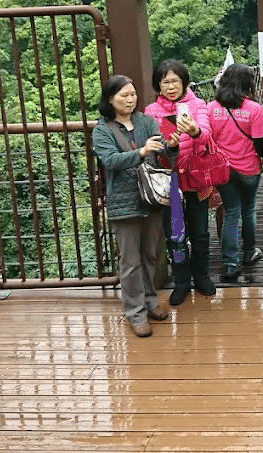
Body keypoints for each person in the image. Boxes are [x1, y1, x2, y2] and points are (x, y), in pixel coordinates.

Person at [92, 75, 169, 338]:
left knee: (150, 254)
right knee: (130, 261)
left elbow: (162, 150)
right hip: (123, 202)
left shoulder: (146, 121)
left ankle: (150, 302)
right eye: (124, 95)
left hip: (150, 197)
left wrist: (175, 143)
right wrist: (142, 152)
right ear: (110, 99)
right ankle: (135, 312)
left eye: (133, 94)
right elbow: (110, 160)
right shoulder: (102, 130)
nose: (130, 99)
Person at [144, 59, 216, 305]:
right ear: (158, 86)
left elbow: (206, 134)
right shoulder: (152, 111)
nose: (171, 86)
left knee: (200, 231)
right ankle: (182, 281)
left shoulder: (198, 105)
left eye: (175, 81)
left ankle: (202, 275)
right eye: (165, 82)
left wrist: (194, 131)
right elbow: (153, 145)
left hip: (196, 176)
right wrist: (169, 146)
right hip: (169, 179)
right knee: (175, 234)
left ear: (184, 82)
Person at [207, 63, 263, 283]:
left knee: (231, 212)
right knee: (248, 209)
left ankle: (231, 263)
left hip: (222, 168)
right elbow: (259, 142)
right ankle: (249, 251)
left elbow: (207, 138)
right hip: (249, 168)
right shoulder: (254, 109)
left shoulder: (211, 107)